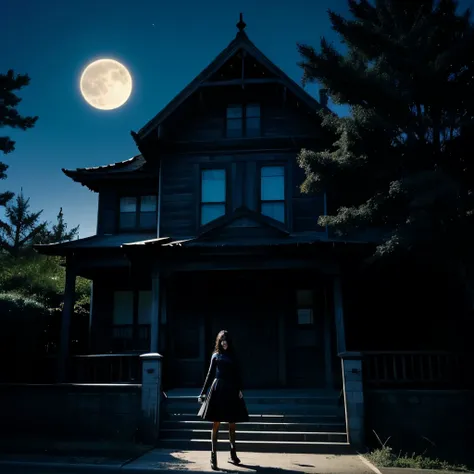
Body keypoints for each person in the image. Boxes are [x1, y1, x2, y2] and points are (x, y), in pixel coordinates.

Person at [198, 330, 249, 470]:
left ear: (229, 341)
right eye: (222, 340)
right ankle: (213, 456)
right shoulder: (216, 355)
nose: (224, 342)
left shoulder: (232, 356)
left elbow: (237, 374)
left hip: (231, 389)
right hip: (218, 389)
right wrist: (202, 393)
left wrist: (239, 389)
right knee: (216, 423)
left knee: (232, 423)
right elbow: (209, 375)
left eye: (226, 340)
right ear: (219, 342)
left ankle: (233, 453)